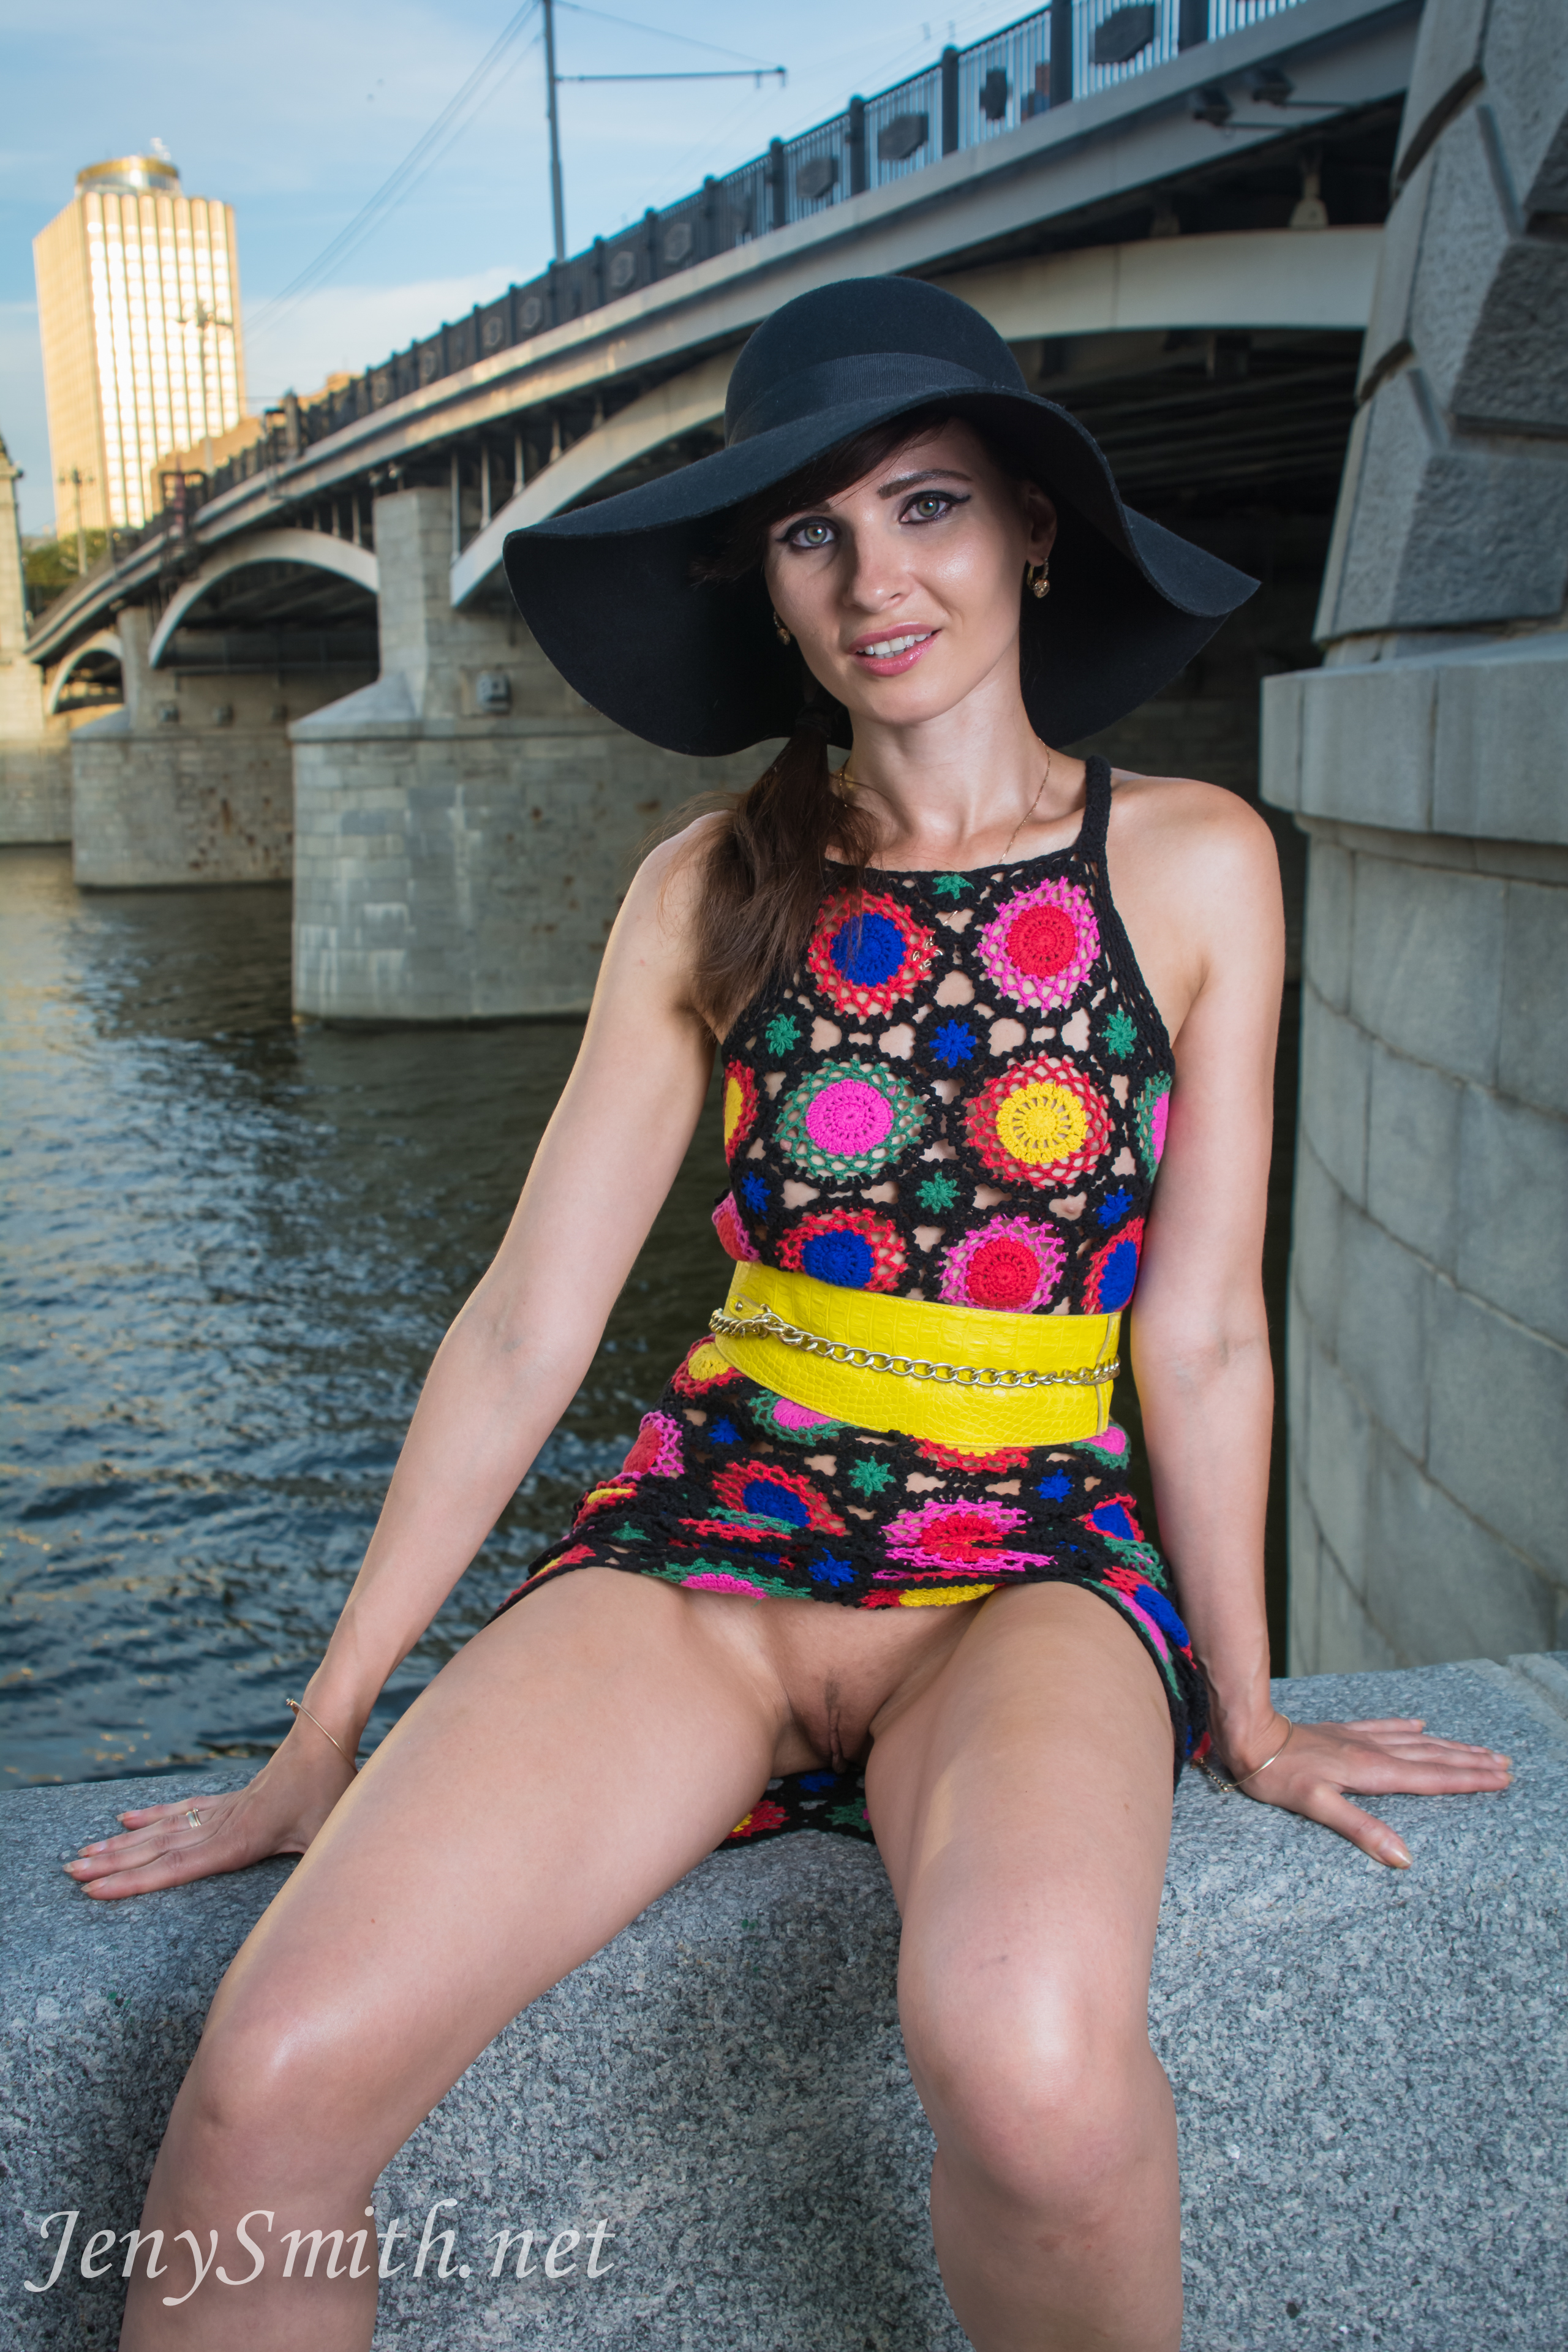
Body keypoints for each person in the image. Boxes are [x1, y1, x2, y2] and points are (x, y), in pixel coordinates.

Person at [70, 279, 1510, 2352]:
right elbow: (526, 1323)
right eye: (812, 532)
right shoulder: (706, 883)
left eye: (927, 507)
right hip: (707, 1547)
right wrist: (322, 1736)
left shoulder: (1194, 866)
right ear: (766, 583)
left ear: (1033, 531)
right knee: (268, 2076)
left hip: (1026, 1567)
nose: (873, 579)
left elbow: (1200, 1333)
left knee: (1031, 2068)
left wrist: (1254, 1710)